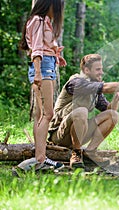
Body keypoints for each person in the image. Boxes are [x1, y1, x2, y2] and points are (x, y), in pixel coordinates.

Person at [48, 54, 119, 168]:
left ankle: (90, 152)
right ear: (86, 70)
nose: (101, 72)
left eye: (101, 69)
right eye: (97, 69)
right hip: (59, 136)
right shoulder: (76, 82)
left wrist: (116, 100)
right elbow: (104, 87)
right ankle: (76, 154)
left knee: (113, 115)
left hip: (78, 133)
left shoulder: (94, 90)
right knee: (81, 111)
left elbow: (109, 112)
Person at [18, 0, 66, 170]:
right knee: (48, 113)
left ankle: (40, 158)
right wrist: (38, 72)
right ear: (50, 5)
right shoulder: (38, 20)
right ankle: (40, 159)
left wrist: (56, 55)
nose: (58, 12)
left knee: (40, 114)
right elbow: (36, 48)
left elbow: (42, 46)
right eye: (58, 8)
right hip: (43, 68)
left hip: (47, 65)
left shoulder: (42, 20)